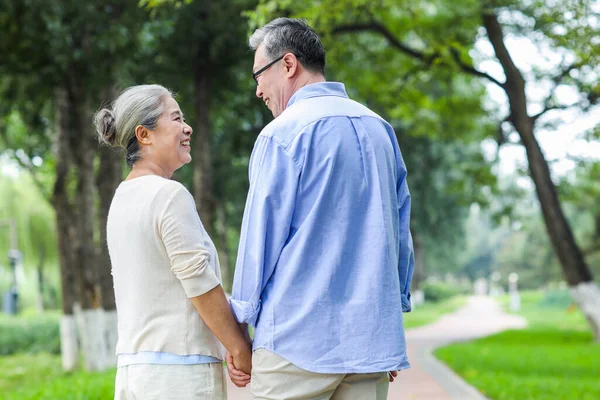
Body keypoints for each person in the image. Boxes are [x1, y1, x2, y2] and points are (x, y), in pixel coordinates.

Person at [227, 18, 415, 399]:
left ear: (289, 64)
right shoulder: (380, 129)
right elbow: (399, 233)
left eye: (259, 76)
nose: (258, 90)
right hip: (370, 343)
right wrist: (389, 320)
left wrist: (240, 330)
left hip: (295, 344)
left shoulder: (281, 134)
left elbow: (259, 240)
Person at [94, 84, 251, 400]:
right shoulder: (168, 195)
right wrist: (239, 346)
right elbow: (200, 285)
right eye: (176, 118)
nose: (187, 127)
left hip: (134, 372)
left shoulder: (121, 198)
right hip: (178, 377)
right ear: (145, 134)